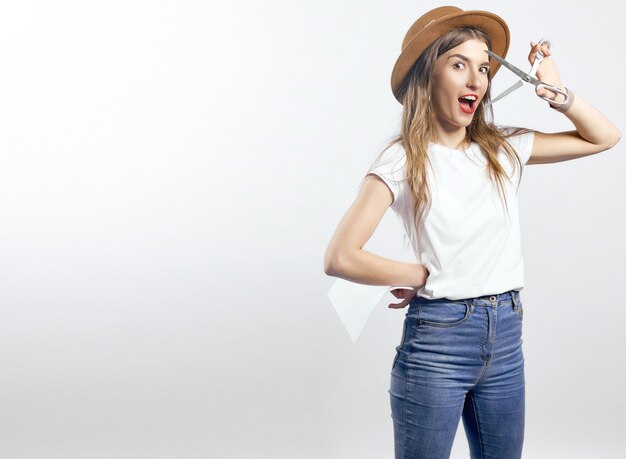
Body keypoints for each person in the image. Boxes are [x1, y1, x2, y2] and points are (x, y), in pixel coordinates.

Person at [323, 5, 621, 459]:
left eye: (483, 68)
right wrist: (422, 274)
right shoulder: (403, 160)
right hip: (438, 341)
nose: (476, 80)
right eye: (459, 64)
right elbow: (341, 255)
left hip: (505, 336)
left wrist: (557, 92)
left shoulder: (502, 149)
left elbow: (603, 137)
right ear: (429, 75)